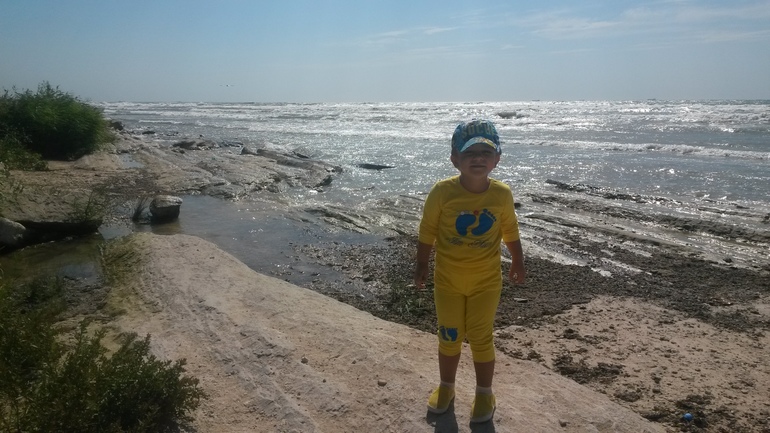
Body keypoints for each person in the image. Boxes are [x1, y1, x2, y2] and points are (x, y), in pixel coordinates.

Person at [414, 119, 526, 423]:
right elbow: (428, 229)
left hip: (485, 283)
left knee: (480, 337)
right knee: (449, 335)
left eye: (485, 152)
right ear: (455, 159)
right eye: (469, 153)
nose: (478, 158)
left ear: (497, 159)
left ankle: (484, 393)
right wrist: (422, 263)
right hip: (447, 282)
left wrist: (517, 260)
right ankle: (446, 387)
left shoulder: (501, 194)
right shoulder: (442, 192)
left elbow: (510, 229)